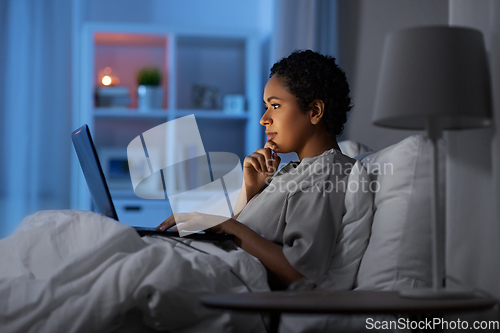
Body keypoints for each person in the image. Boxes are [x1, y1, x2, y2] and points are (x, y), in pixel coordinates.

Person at [157, 50, 372, 290]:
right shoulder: (294, 170)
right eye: (266, 106)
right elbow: (241, 238)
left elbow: (300, 272)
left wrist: (226, 224)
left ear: (315, 111)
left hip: (219, 278)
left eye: (275, 105)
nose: (264, 119)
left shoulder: (328, 171)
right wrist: (251, 190)